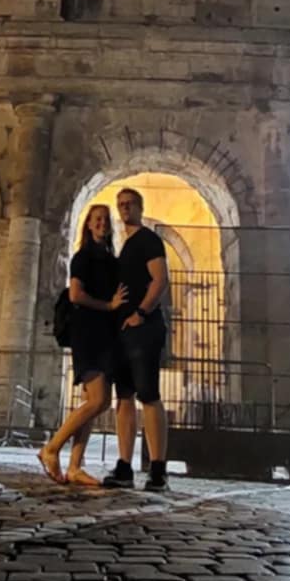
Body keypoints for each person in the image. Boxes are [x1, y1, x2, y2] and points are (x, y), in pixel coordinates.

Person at [38, 203, 126, 488]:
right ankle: (51, 448)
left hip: (106, 334)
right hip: (88, 333)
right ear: (88, 224)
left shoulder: (110, 259)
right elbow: (76, 295)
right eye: (96, 219)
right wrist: (109, 305)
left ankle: (75, 467)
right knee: (99, 400)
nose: (102, 223)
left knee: (93, 401)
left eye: (106, 219)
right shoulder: (83, 257)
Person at [102, 187, 171, 492]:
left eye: (130, 203)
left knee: (149, 395)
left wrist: (141, 312)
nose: (125, 208)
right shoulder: (126, 245)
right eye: (121, 204)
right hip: (123, 330)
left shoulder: (148, 240)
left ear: (140, 208)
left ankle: (158, 470)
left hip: (143, 328)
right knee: (124, 397)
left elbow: (160, 278)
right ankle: (124, 466)